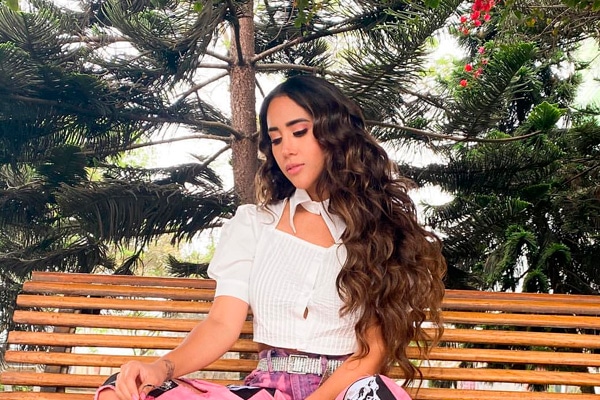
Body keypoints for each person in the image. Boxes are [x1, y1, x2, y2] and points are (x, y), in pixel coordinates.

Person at [95, 75, 446, 400]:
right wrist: (161, 368)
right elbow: (221, 324)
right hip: (267, 390)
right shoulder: (254, 224)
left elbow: (372, 352)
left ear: (336, 134)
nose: (286, 149)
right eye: (276, 139)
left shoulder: (379, 230)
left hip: (344, 390)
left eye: (299, 132)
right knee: (122, 391)